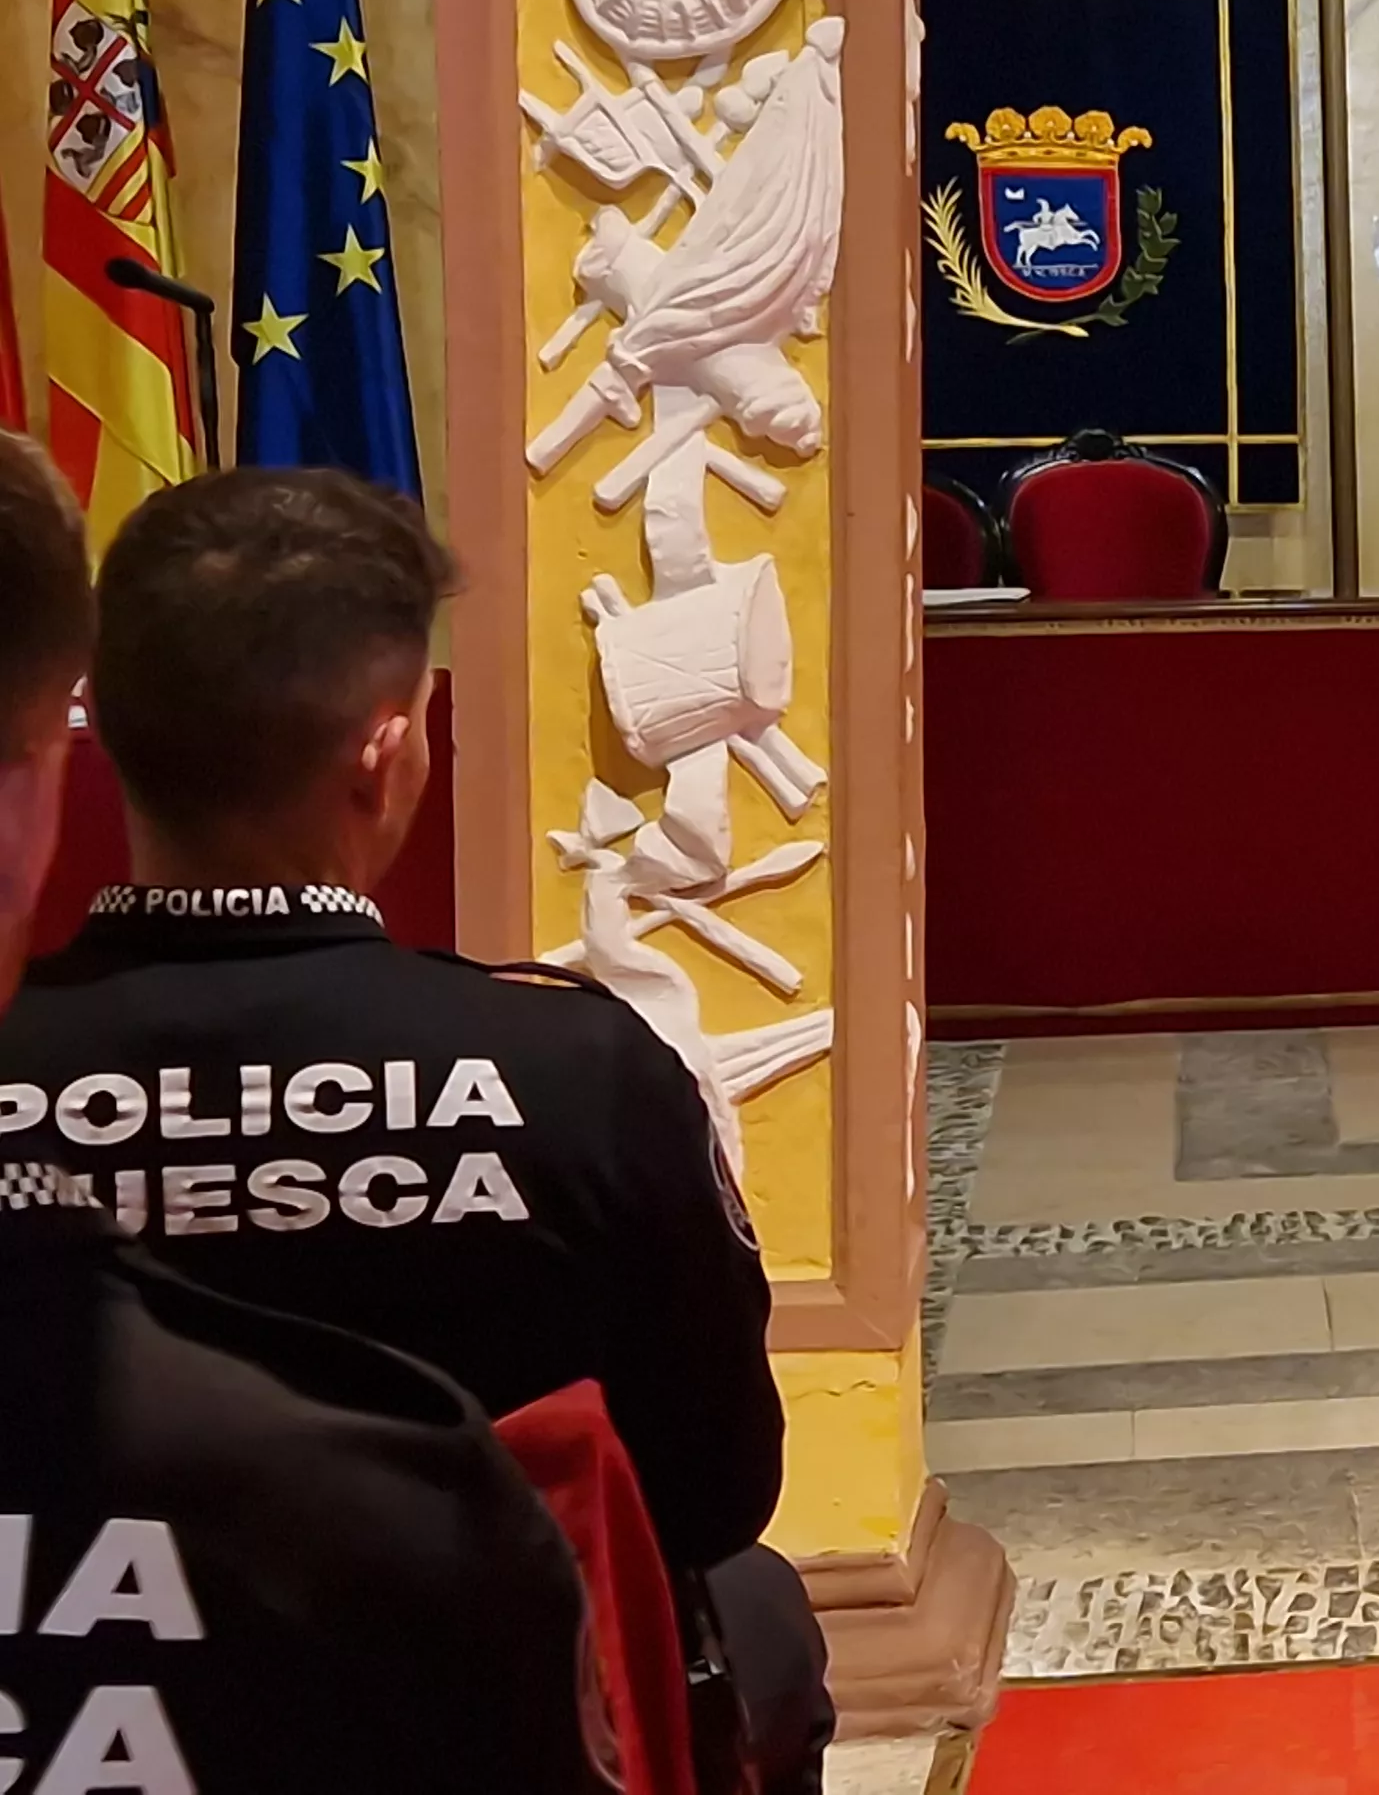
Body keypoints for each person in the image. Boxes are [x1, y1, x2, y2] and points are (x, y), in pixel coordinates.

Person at [0, 466, 829, 1793]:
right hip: (481, 1718)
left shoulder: (12, 1058)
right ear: (385, 755)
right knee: (766, 1611)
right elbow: (717, 1488)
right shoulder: (575, 1068)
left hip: (74, 1697)